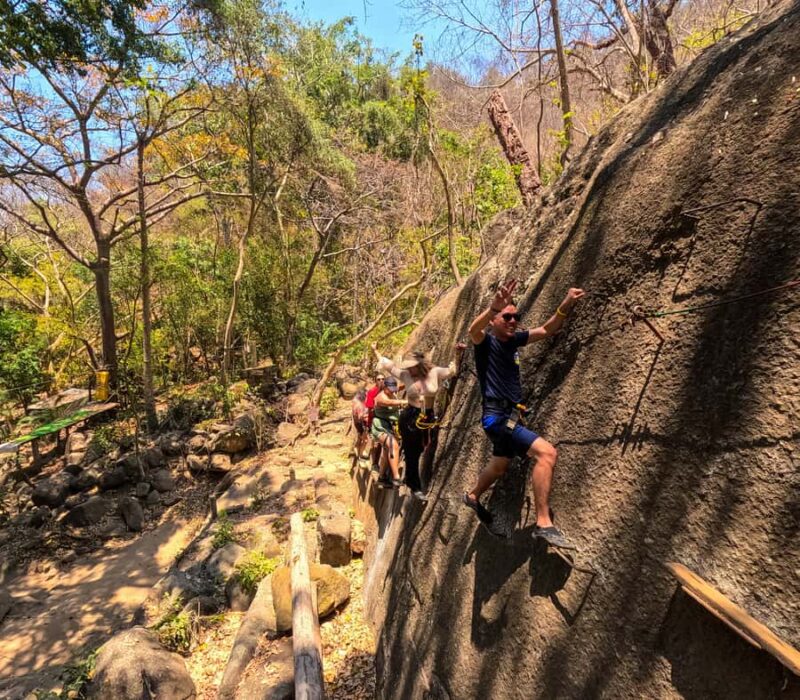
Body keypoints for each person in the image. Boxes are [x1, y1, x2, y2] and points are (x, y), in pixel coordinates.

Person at [462, 278, 585, 549]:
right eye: (506, 316)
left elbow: (546, 330)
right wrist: (493, 308)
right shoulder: (487, 344)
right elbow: (473, 330)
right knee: (547, 453)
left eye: (515, 316)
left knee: (500, 464)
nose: (512, 320)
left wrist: (565, 304)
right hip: (498, 417)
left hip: (503, 419)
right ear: (494, 321)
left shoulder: (513, 341)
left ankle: (472, 495)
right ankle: (544, 524)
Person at [372, 342, 465, 501]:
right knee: (411, 452)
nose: (409, 369)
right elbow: (387, 365)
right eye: (407, 367)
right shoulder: (405, 375)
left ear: (420, 364)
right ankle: (414, 486)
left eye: (412, 366)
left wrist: (457, 353)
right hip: (409, 416)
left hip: (427, 416)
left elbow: (452, 371)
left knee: (423, 447)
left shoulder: (434, 372)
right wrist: (375, 351)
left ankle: (410, 478)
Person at [370, 375, 407, 488]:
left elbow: (400, 387)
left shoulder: (392, 391)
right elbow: (390, 402)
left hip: (390, 426)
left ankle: (381, 478)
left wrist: (411, 381)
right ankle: (396, 478)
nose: (392, 392)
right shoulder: (381, 397)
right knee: (393, 445)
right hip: (380, 426)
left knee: (386, 453)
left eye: (393, 389)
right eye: (390, 389)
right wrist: (407, 401)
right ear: (385, 387)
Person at [364, 374, 384, 471]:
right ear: (375, 381)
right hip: (374, 420)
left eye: (383, 379)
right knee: (376, 443)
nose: (381, 381)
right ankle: (374, 463)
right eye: (379, 379)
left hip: (385, 419)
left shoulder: (387, 390)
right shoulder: (372, 392)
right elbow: (370, 408)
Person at [351, 388, 370, 464]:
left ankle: (356, 451)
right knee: (365, 440)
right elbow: (361, 417)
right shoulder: (360, 406)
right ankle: (360, 456)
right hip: (360, 424)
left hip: (356, 423)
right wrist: (368, 417)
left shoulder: (355, 401)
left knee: (359, 439)